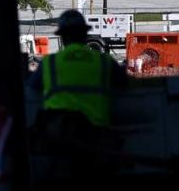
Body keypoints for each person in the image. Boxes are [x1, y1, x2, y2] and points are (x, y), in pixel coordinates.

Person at [27, 10, 126, 183]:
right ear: (84, 35)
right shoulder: (104, 61)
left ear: (62, 38)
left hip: (59, 139)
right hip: (96, 139)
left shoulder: (49, 63)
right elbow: (124, 84)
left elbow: (32, 86)